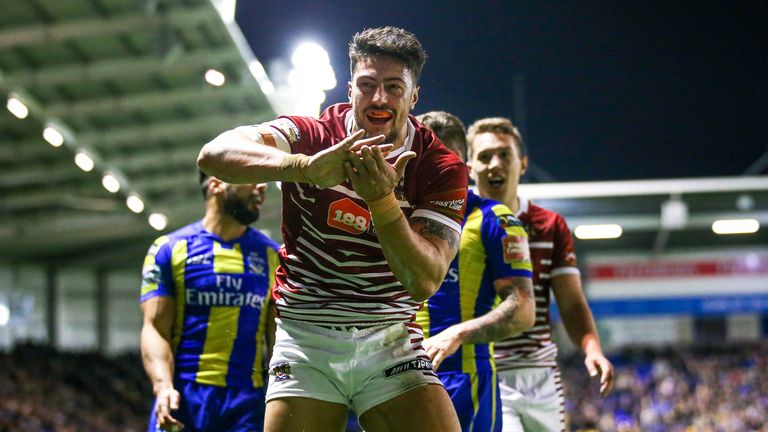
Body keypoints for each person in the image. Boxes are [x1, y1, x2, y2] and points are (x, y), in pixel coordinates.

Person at [197, 26, 467, 431]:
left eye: (394, 87)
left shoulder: (439, 166)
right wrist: (303, 167)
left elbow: (424, 281)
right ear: (349, 89)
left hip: (390, 338)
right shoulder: (312, 136)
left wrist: (381, 202)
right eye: (367, 85)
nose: (379, 98)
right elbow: (213, 155)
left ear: (414, 96)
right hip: (307, 337)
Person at [466, 117, 615, 432]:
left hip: (542, 373)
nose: (495, 164)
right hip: (486, 369)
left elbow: (572, 303)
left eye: (505, 154)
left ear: (522, 163)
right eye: (484, 156)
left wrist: (592, 349)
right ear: (469, 167)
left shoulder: (550, 225)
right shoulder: (460, 223)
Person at [415, 111, 535, 432]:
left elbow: (523, 309)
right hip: (395, 378)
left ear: (464, 168)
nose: (434, 170)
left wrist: (457, 334)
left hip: (465, 382)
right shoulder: (394, 218)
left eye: (444, 160)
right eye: (425, 160)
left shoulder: (496, 219)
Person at [140, 171, 279, 432]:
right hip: (182, 398)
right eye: (251, 176)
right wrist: (163, 387)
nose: (262, 186)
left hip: (247, 404)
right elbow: (155, 328)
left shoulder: (273, 256)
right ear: (216, 183)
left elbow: (277, 338)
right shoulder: (168, 250)